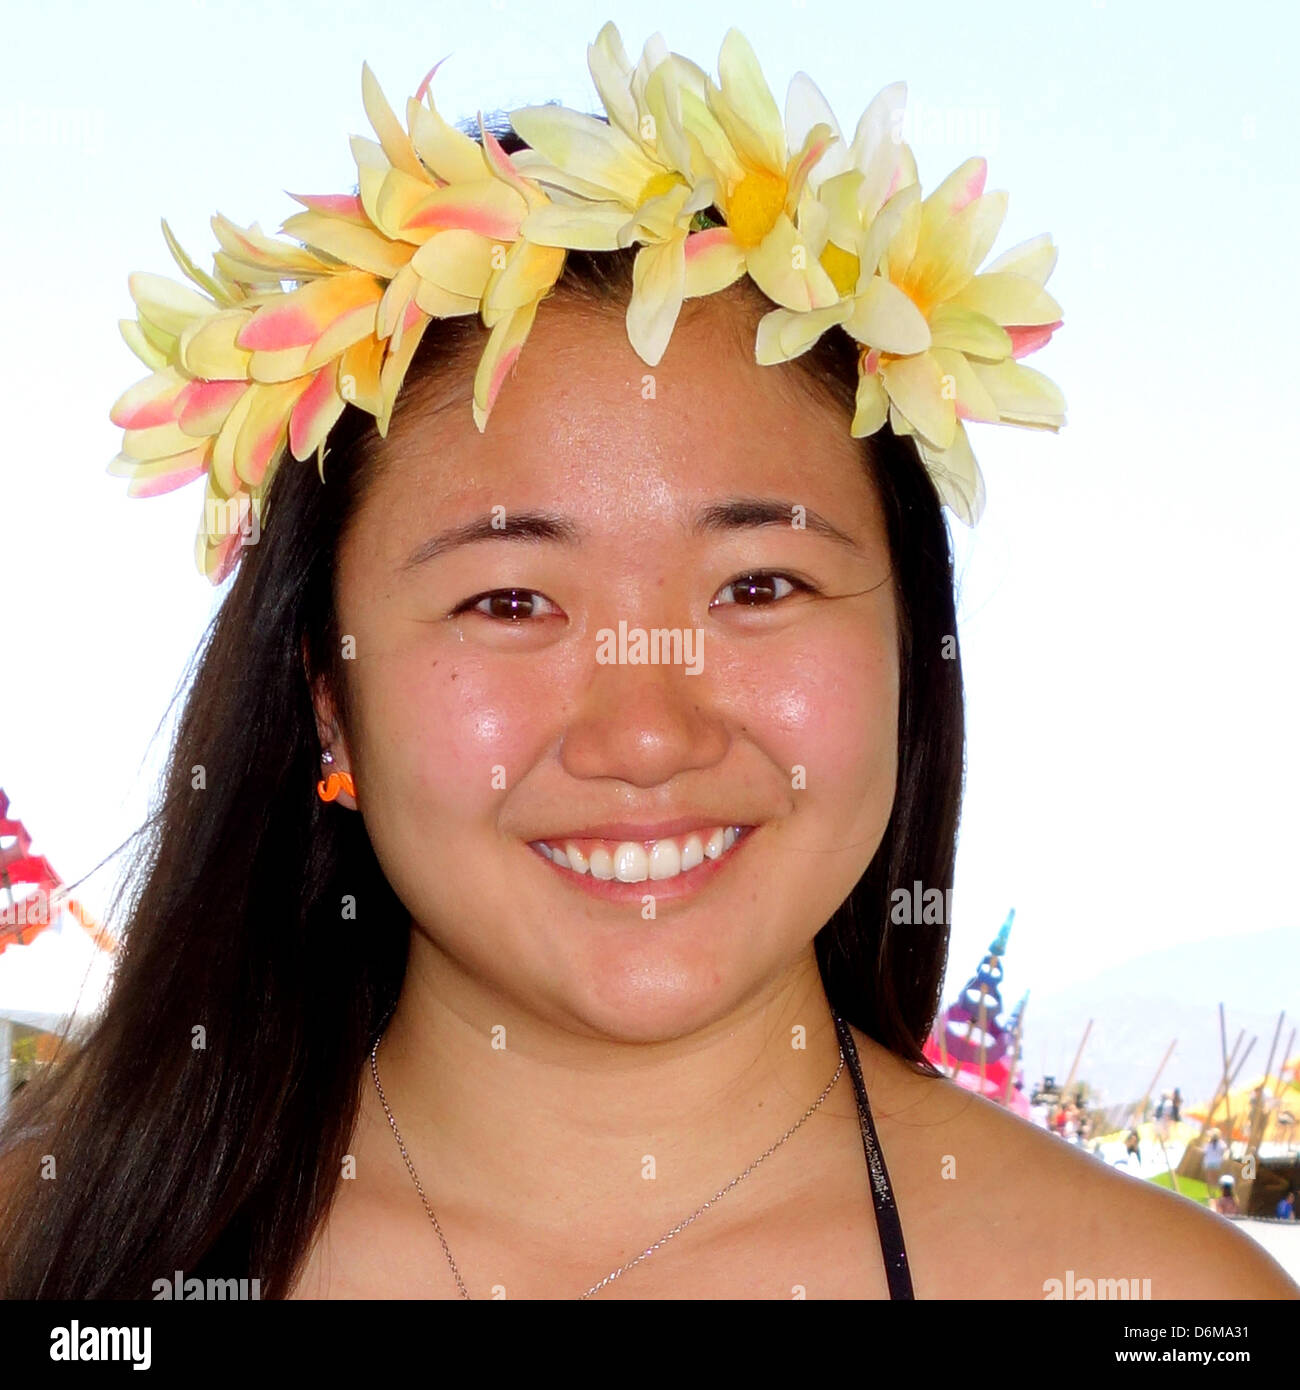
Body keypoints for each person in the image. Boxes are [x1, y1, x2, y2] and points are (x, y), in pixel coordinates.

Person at [1, 24, 1296, 1302]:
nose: (647, 729)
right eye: (508, 599)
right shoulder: (45, 1252)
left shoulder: (1158, 1296)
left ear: (908, 652)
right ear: (326, 705)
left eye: (759, 585)